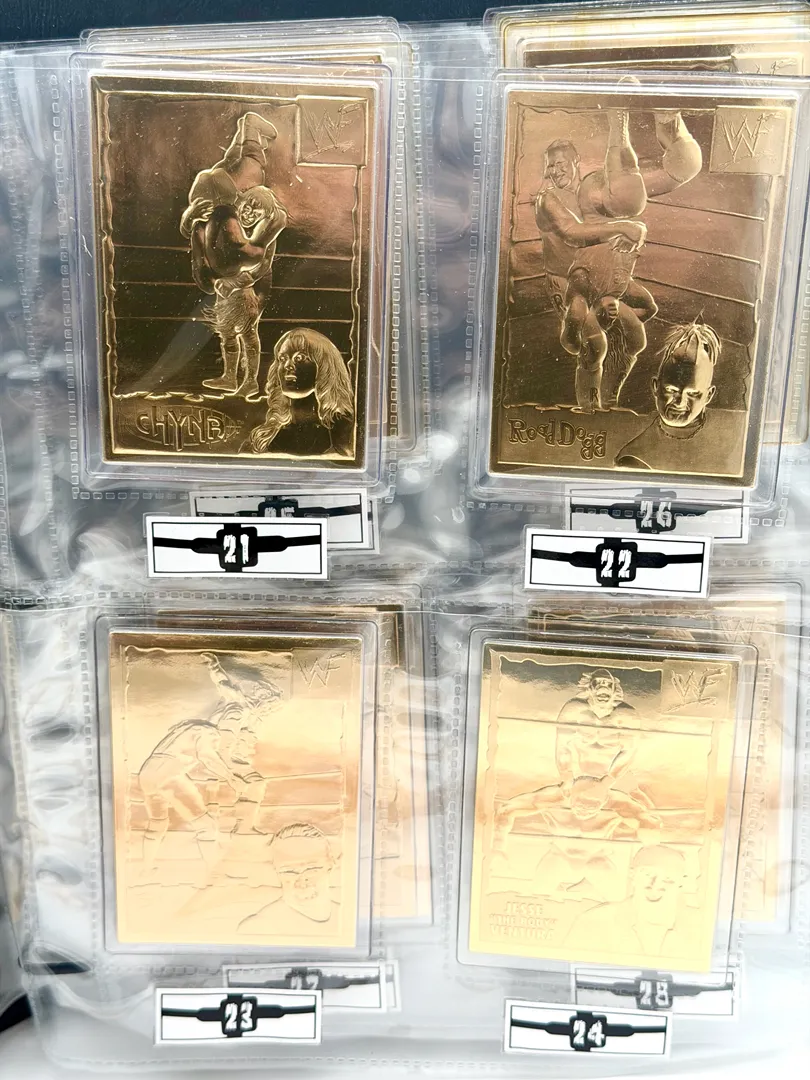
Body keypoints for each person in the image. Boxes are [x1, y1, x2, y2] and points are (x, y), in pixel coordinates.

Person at [535, 109, 702, 411]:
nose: (555, 171)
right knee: (594, 345)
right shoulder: (548, 199)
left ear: (576, 161)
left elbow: (653, 183)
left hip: (606, 278)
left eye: (561, 164)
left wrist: (673, 134)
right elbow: (573, 233)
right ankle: (588, 408)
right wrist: (626, 227)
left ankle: (608, 404)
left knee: (635, 339)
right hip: (570, 283)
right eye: (551, 166)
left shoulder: (596, 190)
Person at [179, 113, 288, 399]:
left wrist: (235, 282)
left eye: (256, 209)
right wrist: (191, 218)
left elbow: (262, 266)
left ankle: (250, 381)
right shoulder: (234, 219)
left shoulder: (264, 234)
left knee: (248, 332)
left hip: (247, 291)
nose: (249, 211)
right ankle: (229, 377)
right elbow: (198, 236)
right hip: (226, 288)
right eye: (248, 204)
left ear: (266, 215)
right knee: (226, 332)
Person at [615, 320, 746, 475]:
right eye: (672, 390)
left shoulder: (738, 433)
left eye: (692, 394)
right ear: (655, 387)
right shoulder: (634, 458)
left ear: (709, 395)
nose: (679, 402)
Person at [566, 844, 703, 959]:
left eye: (668, 878)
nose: (655, 884)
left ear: (681, 882)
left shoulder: (701, 925)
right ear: (632, 875)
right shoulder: (594, 921)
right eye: (648, 874)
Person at [248, 328, 354, 457]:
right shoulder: (266, 430)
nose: (287, 365)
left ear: (324, 367)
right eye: (282, 359)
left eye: (299, 358)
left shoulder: (343, 429)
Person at [237, 823, 342, 937]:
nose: (302, 881)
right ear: (275, 870)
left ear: (331, 864)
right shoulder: (257, 928)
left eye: (312, 869)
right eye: (289, 871)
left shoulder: (347, 917)